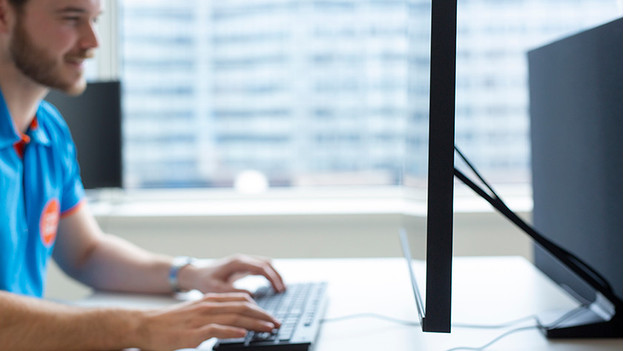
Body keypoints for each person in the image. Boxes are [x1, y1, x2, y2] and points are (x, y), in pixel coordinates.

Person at [0, 0, 287, 349]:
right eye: (72, 19)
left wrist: (188, 274)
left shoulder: (48, 130)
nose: (92, 42)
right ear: (4, 15)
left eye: (95, 20)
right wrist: (139, 327)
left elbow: (86, 253)